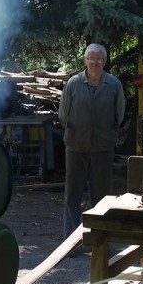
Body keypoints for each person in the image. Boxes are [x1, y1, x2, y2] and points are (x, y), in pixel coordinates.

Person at [59, 43, 126, 239]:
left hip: (103, 148)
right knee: (72, 195)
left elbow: (119, 114)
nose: (95, 62)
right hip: (76, 146)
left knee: (103, 195)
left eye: (99, 59)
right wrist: (78, 130)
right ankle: (70, 239)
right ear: (85, 60)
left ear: (104, 62)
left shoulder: (113, 85)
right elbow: (63, 114)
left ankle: (101, 238)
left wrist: (106, 133)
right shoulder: (73, 83)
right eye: (91, 58)